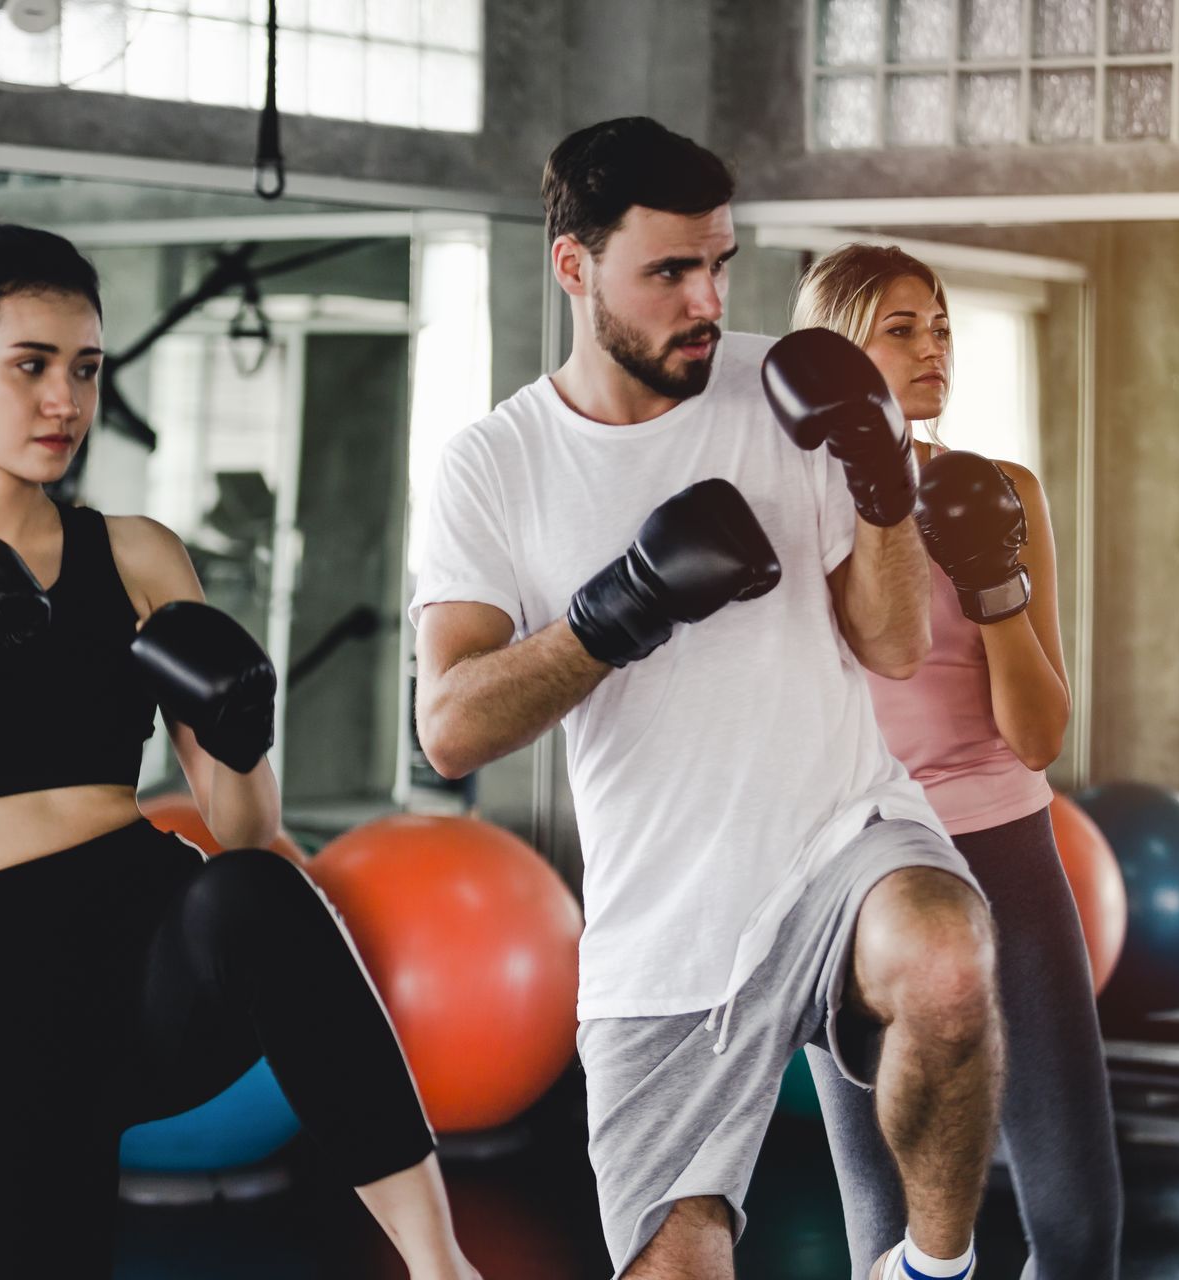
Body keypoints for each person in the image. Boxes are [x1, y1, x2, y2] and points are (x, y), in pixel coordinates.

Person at [0, 186, 482, 1280]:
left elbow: (248, 833)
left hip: (144, 946)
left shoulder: (138, 554)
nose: (66, 397)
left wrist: (242, 730)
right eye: (32, 363)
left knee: (269, 894)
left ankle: (444, 1267)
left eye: (88, 367)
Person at [411, 116, 1004, 1280]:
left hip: (840, 835)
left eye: (719, 263)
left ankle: (930, 1269)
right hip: (663, 928)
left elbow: (890, 648)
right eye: (670, 271)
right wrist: (617, 607)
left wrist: (883, 483)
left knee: (946, 959)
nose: (706, 299)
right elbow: (452, 726)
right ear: (574, 265)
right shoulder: (497, 462)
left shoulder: (787, 391)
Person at [793, 243, 1121, 1280]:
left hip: (1005, 852)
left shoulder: (1003, 489)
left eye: (941, 327)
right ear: (839, 350)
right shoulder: (790, 508)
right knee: (885, 1233)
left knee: (1077, 1225)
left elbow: (1040, 733)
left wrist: (994, 585)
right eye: (902, 328)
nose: (933, 347)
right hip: (855, 868)